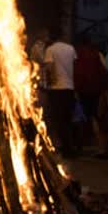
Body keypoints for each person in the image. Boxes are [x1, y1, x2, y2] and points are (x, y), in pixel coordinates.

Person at [74, 35, 108, 157]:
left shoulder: (78, 55)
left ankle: (82, 147)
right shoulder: (97, 54)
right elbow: (105, 71)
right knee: (98, 119)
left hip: (83, 91)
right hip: (97, 91)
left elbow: (75, 73)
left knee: (83, 119)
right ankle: (102, 148)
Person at [43, 28, 78, 157]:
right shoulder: (71, 49)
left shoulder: (50, 50)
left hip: (57, 89)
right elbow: (74, 66)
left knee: (58, 120)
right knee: (68, 119)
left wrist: (49, 83)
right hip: (69, 88)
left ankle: (65, 148)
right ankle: (71, 146)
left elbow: (50, 69)